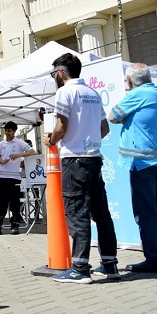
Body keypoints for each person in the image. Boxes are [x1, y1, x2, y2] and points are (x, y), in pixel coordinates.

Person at [45, 53, 118, 284]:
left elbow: (61, 126)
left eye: (53, 73)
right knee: (101, 213)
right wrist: (89, 138)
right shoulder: (93, 94)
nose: (54, 77)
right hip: (94, 158)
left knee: (77, 212)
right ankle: (109, 264)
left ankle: (79, 268)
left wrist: (53, 140)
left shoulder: (64, 92)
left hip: (74, 159)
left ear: (62, 72)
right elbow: (104, 128)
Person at [108, 63, 157, 272]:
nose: (125, 82)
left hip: (143, 164)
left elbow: (113, 116)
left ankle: (154, 259)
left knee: (146, 213)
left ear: (131, 80)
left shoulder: (137, 95)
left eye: (126, 80)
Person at [0, 122, 36, 236]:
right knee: (0, 202)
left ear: (14, 131)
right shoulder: (2, 143)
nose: (7, 133)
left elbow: (32, 151)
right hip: (2, 176)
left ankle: (15, 225)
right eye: (6, 131)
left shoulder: (18, 142)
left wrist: (19, 155)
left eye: (10, 131)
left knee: (14, 203)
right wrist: (1, 161)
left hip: (14, 177)